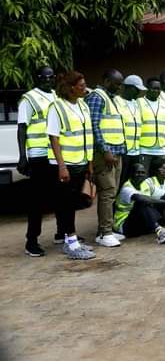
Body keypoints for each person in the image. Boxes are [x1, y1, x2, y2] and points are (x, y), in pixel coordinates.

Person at [47, 71, 96, 260]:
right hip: (65, 164)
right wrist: (61, 166)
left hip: (81, 162)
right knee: (66, 204)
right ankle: (72, 243)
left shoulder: (83, 106)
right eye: (81, 85)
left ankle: (71, 241)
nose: (84, 88)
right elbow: (54, 138)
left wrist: (89, 163)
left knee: (73, 203)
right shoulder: (57, 107)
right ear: (70, 87)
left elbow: (87, 136)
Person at [17, 66, 59, 256]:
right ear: (37, 78)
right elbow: (22, 128)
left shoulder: (56, 96)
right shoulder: (29, 98)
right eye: (44, 77)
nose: (47, 80)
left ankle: (62, 233)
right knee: (37, 201)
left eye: (51, 77)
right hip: (38, 154)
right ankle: (31, 241)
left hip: (55, 154)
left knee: (60, 196)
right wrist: (23, 156)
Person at [86, 69, 126, 248]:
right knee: (107, 193)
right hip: (105, 154)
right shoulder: (97, 97)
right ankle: (105, 232)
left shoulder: (112, 99)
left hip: (116, 152)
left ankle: (106, 230)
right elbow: (94, 126)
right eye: (116, 83)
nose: (119, 87)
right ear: (106, 81)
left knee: (112, 193)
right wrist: (105, 150)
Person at [113, 163, 165, 244]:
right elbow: (140, 198)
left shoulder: (145, 184)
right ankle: (159, 230)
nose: (140, 175)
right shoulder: (126, 187)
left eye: (142, 172)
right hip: (125, 226)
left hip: (140, 225)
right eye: (137, 172)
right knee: (143, 202)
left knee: (161, 199)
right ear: (131, 174)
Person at [138, 77, 165, 176]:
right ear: (147, 88)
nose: (156, 91)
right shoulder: (139, 103)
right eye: (153, 88)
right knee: (143, 177)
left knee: (159, 177)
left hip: (160, 149)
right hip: (144, 149)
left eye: (158, 89)